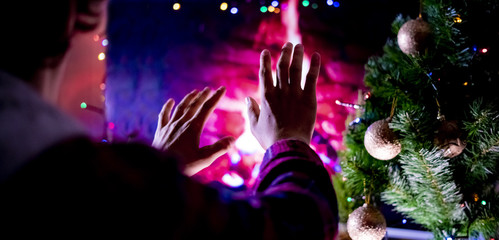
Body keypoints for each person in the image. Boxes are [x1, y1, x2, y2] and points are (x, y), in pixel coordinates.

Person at [0, 1, 338, 239]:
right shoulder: (81, 182)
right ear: (83, 12)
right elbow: (299, 226)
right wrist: (290, 140)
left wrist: (161, 168)